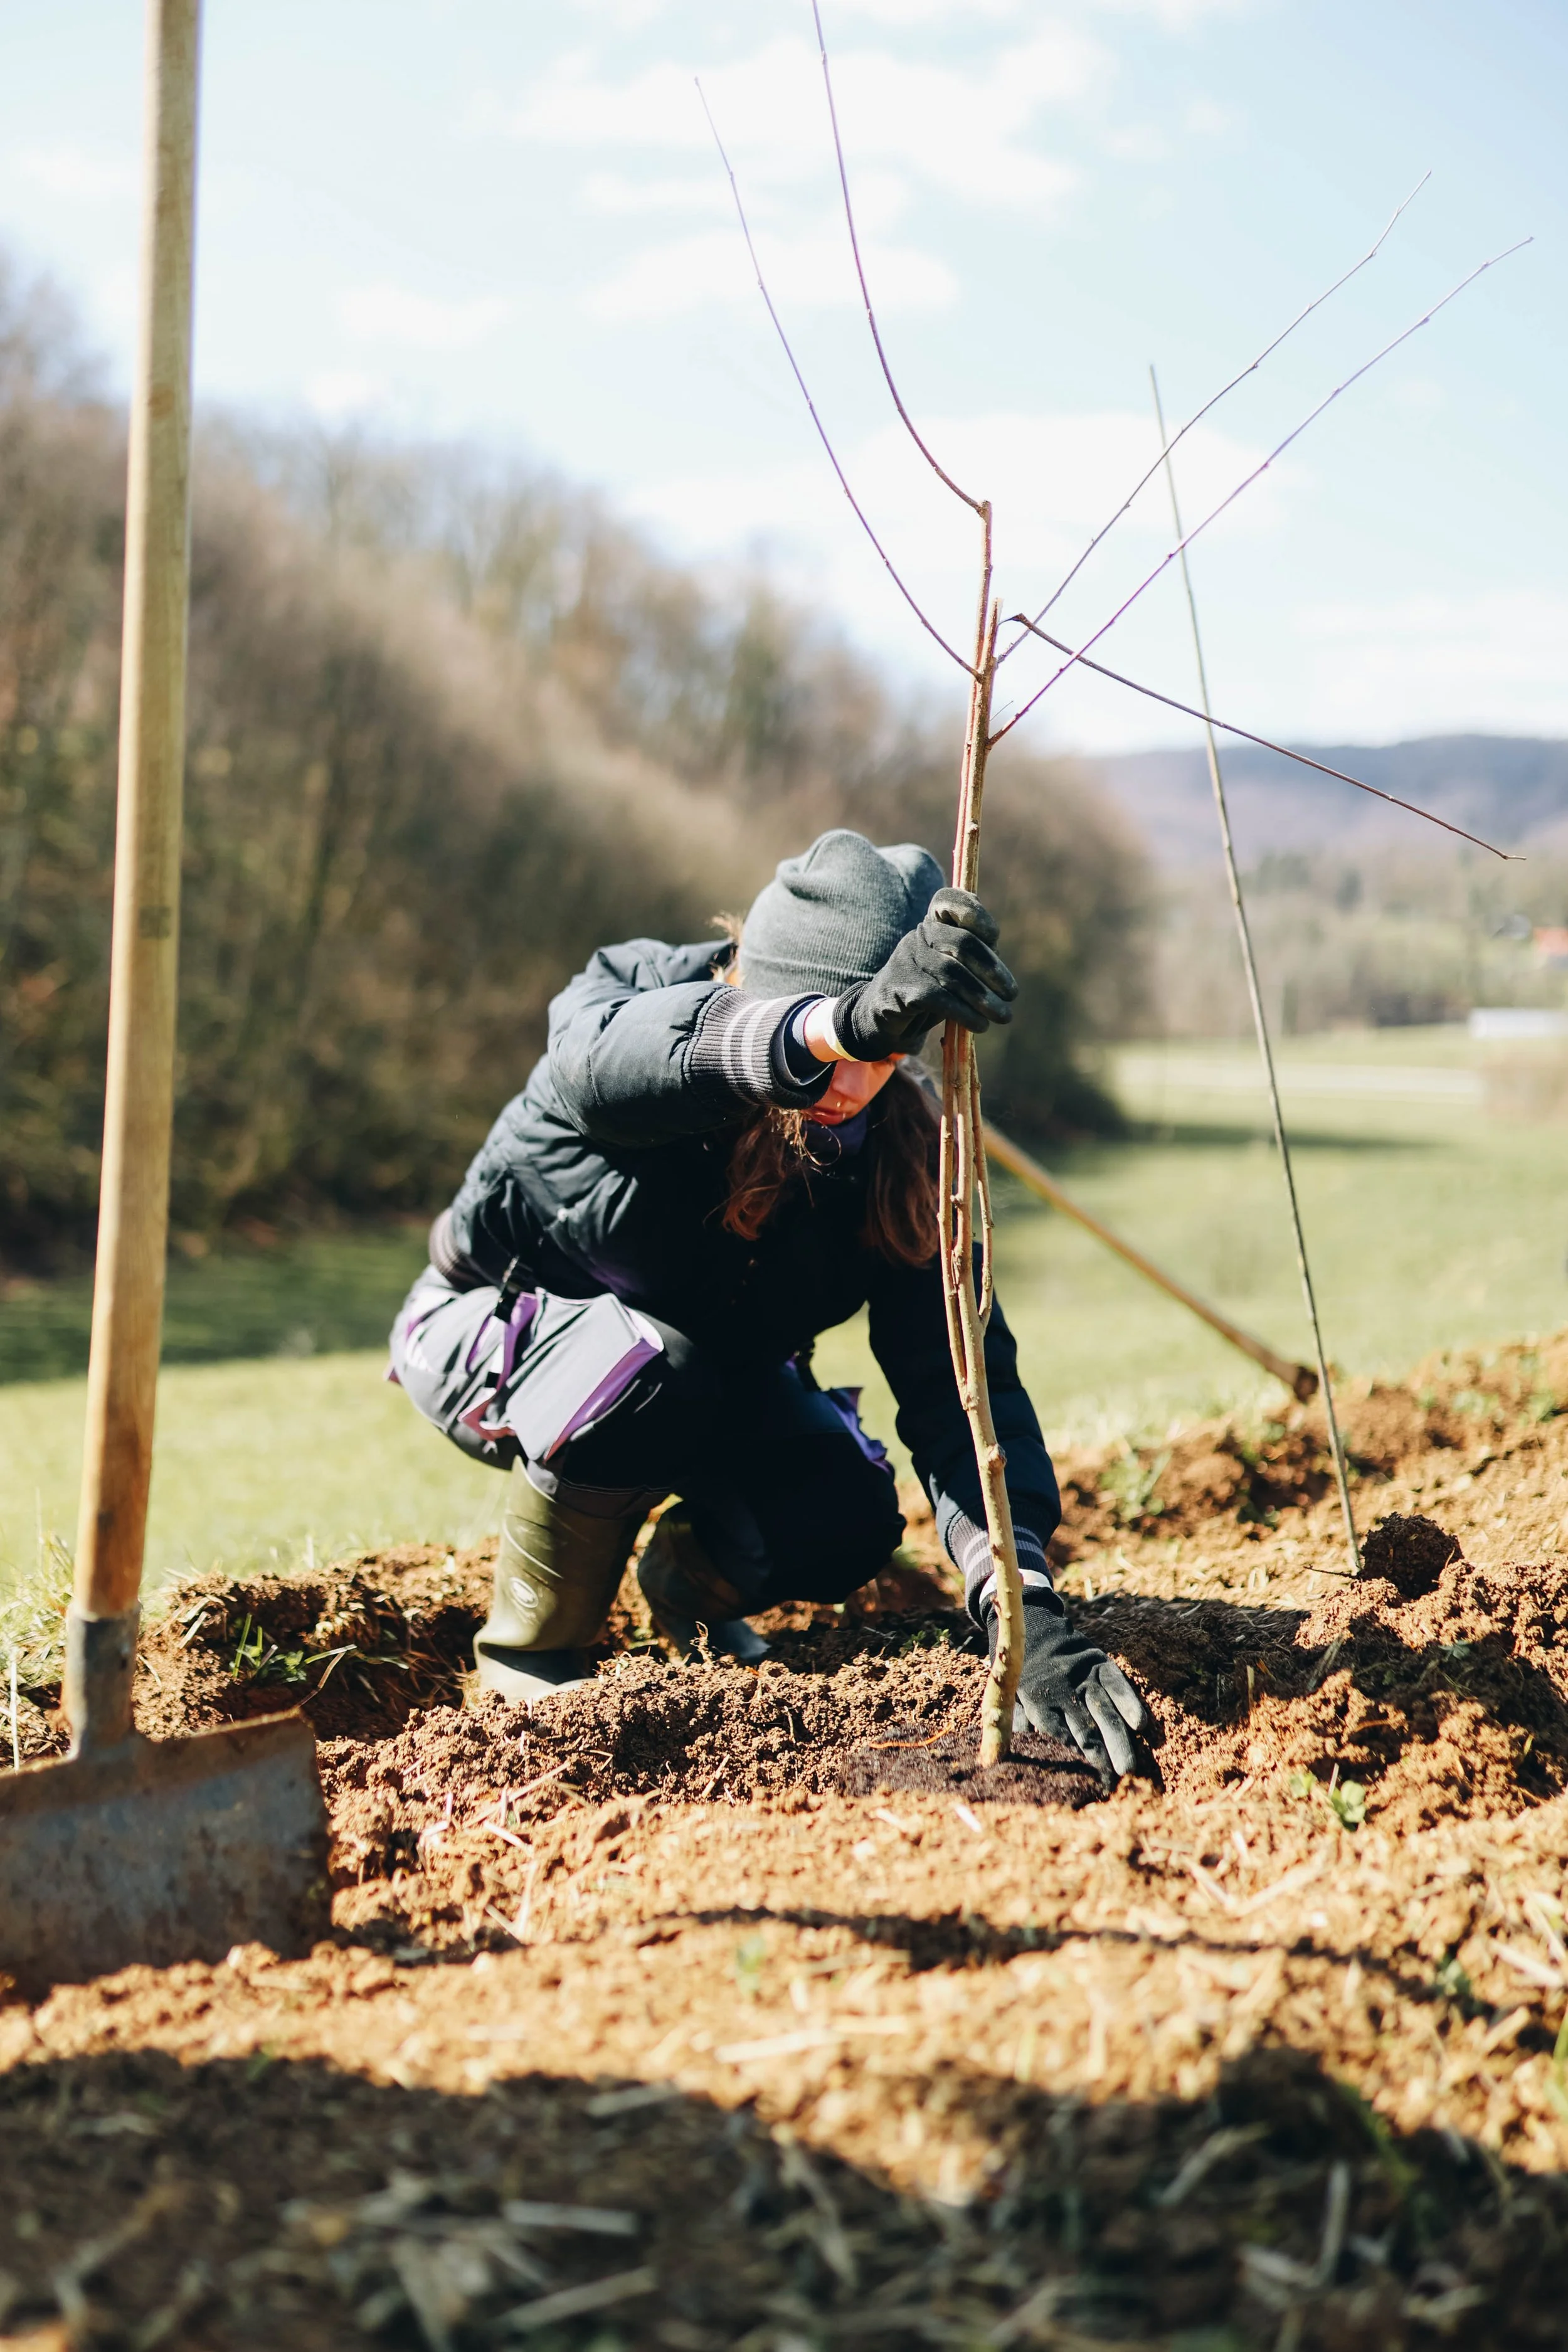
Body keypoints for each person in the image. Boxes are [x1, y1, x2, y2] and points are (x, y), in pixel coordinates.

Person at [388, 829, 1155, 1783]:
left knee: (845, 1512)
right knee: (655, 1371)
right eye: (841, 1039)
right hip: (491, 1332)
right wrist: (830, 1030)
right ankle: (531, 1652)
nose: (852, 1085)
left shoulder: (903, 1154)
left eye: (887, 1049)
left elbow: (962, 1387)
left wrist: (1023, 1601)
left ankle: (684, 1584)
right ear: (762, 988)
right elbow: (605, 1065)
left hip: (706, 1378)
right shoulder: (630, 1008)